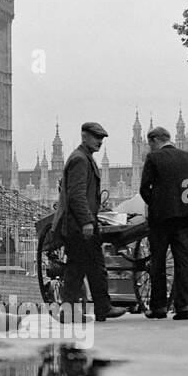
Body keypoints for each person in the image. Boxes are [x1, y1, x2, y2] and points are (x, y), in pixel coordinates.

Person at [50, 121, 126, 322]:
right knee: (79, 269)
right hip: (78, 226)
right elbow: (76, 195)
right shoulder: (79, 159)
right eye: (97, 137)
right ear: (85, 137)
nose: (100, 141)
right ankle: (82, 310)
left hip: (83, 223)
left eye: (102, 138)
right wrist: (86, 221)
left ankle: (101, 307)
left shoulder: (85, 158)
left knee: (92, 267)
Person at [138, 125, 188, 320]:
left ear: (154, 141)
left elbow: (144, 188)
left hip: (162, 220)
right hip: (186, 218)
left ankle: (159, 307)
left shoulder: (153, 158)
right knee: (183, 262)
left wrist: (158, 203)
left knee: (158, 263)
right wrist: (185, 201)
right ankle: (185, 306)